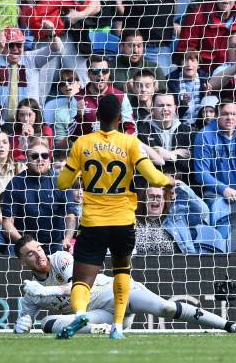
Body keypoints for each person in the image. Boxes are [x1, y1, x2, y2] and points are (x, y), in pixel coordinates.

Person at [56, 94, 175, 339]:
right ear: (120, 119)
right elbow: (153, 177)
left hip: (92, 223)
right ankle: (118, 327)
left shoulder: (82, 143)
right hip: (122, 221)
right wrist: (168, 180)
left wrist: (81, 175)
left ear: (97, 117)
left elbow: (62, 182)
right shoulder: (130, 143)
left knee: (82, 279)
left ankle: (80, 315)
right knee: (122, 271)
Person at [11, 235, 236, 335]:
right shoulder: (31, 292)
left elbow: (79, 286)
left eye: (38, 248)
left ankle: (229, 325)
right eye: (30, 254)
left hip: (118, 292)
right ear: (23, 262)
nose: (38, 255)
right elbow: (25, 320)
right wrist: (22, 325)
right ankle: (104, 330)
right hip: (99, 315)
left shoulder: (60, 259)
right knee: (47, 324)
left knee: (165, 309)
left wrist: (45, 290)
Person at [193, 100, 236, 240]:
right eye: (225, 114)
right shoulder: (204, 135)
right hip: (216, 191)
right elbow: (201, 173)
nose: (229, 118)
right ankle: (222, 247)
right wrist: (224, 190)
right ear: (217, 116)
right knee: (220, 212)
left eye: (233, 114)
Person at [1, 138, 77, 255]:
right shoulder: (15, 183)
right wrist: (26, 244)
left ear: (50, 158)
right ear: (27, 159)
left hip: (55, 244)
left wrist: (67, 239)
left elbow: (70, 216)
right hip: (24, 244)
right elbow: (7, 223)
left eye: (44, 155)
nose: (40, 159)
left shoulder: (61, 181)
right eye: (35, 156)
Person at [0, 26, 63, 128]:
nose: (15, 48)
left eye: (19, 45)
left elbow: (56, 49)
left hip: (29, 123)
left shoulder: (31, 58)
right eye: (10, 45)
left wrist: (52, 34)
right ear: (4, 46)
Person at [136, 93, 194, 177]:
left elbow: (191, 166)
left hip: (182, 183)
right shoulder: (142, 132)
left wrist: (170, 155)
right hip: (153, 184)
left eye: (169, 105)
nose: (165, 108)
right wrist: (175, 153)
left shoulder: (187, 132)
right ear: (152, 109)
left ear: (175, 108)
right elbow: (142, 165)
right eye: (160, 105)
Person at [110, 29, 166, 94]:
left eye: (139, 46)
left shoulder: (154, 68)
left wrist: (155, 89)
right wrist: (124, 88)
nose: (136, 51)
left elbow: (165, 96)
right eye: (131, 46)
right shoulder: (110, 67)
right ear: (121, 46)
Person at [167, 49, 210, 126]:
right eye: (185, 60)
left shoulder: (205, 80)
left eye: (193, 60)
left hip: (201, 125)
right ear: (180, 64)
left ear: (198, 65)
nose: (189, 64)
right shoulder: (171, 81)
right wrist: (183, 105)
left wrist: (206, 96)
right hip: (178, 125)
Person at [11, 98, 54, 162]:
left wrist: (33, 138)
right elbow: (13, 157)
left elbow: (47, 154)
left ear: (36, 115)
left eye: (29, 115)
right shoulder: (16, 132)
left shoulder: (46, 130)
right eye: (22, 115)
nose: (25, 119)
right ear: (18, 117)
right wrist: (20, 145)